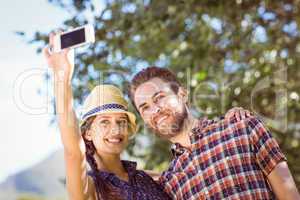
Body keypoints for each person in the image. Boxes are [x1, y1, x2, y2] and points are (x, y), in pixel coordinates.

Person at [129, 66, 300, 200]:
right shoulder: (169, 183)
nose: (155, 110)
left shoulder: (243, 128)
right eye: (145, 108)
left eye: (159, 97)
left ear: (182, 94)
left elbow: (289, 195)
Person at [43, 33, 171, 200]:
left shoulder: (149, 179)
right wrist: (62, 77)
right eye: (104, 122)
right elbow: (73, 152)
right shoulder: (89, 188)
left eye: (121, 122)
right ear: (87, 133)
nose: (115, 129)